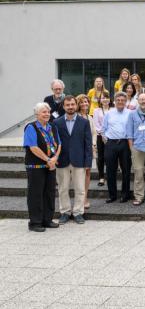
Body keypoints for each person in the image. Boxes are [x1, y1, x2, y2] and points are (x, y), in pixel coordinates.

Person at [52, 96, 90, 225]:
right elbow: (54, 143)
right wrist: (54, 157)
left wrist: (88, 162)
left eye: (72, 104)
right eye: (67, 105)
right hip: (61, 160)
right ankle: (65, 212)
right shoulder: (57, 123)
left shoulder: (84, 122)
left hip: (79, 160)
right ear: (63, 106)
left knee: (80, 188)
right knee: (63, 188)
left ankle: (78, 212)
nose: (70, 107)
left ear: (76, 105)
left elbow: (88, 143)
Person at [23, 102, 62, 232]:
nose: (47, 114)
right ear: (37, 114)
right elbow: (33, 147)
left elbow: (59, 144)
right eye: (44, 112)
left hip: (50, 165)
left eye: (48, 112)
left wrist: (55, 158)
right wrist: (48, 159)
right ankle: (35, 222)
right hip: (36, 166)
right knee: (36, 194)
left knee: (49, 193)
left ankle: (47, 219)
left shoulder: (52, 127)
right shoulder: (31, 127)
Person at [102, 92, 131, 203]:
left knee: (126, 170)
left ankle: (125, 194)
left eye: (122, 100)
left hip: (125, 143)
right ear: (114, 101)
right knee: (110, 170)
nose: (120, 102)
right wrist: (107, 141)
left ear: (126, 101)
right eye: (118, 100)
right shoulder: (109, 113)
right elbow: (103, 129)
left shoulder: (130, 113)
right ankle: (112, 195)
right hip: (111, 143)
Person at [75, 94, 97, 209]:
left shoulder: (90, 117)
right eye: (82, 102)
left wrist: (93, 143)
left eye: (86, 102)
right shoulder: (75, 117)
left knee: (87, 173)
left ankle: (85, 198)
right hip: (78, 150)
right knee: (79, 174)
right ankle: (79, 197)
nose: (85, 104)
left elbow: (94, 133)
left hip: (89, 150)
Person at [93, 91, 110, 187]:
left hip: (111, 137)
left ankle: (109, 176)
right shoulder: (97, 110)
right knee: (101, 157)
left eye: (106, 97)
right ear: (100, 100)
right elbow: (96, 124)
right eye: (103, 98)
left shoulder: (113, 109)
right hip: (100, 137)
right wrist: (103, 134)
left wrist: (108, 134)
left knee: (110, 157)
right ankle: (101, 177)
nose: (105, 99)